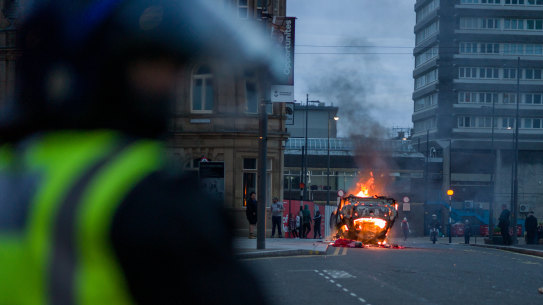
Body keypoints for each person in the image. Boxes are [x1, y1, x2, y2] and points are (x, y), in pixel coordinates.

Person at [0, 1, 274, 304]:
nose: (173, 83)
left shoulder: (12, 167)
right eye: (151, 62)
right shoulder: (147, 195)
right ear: (100, 64)